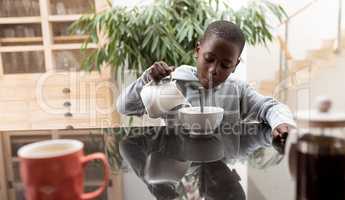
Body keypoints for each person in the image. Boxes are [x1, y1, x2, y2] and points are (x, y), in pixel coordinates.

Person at [116, 20, 296, 200]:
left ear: (235, 65)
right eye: (209, 59)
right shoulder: (174, 82)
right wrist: (147, 79)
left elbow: (269, 107)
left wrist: (281, 122)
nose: (213, 70)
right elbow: (124, 107)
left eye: (225, 65)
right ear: (197, 50)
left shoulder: (237, 92)